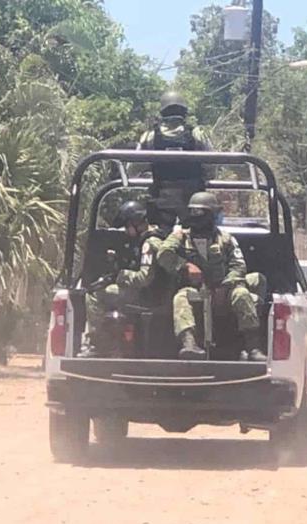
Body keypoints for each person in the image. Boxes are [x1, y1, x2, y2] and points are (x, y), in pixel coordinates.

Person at [159, 191, 266, 361]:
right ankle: (189, 343)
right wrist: (185, 266)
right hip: (195, 290)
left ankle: (253, 347)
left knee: (242, 294)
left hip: (224, 288)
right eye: (194, 212)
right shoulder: (181, 236)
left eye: (201, 213)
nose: (197, 217)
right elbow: (163, 254)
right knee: (180, 298)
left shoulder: (225, 239)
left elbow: (238, 266)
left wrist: (225, 286)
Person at [81, 200, 169, 357]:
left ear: (136, 223)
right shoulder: (155, 237)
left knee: (94, 295)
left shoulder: (149, 243)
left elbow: (144, 278)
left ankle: (99, 345)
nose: (126, 231)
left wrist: (120, 275)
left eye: (127, 227)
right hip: (153, 295)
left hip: (147, 296)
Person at [135, 91, 216, 219]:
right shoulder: (197, 134)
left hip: (161, 201)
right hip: (193, 203)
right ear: (184, 112)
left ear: (162, 112)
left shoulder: (149, 136)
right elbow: (211, 166)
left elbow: (134, 168)